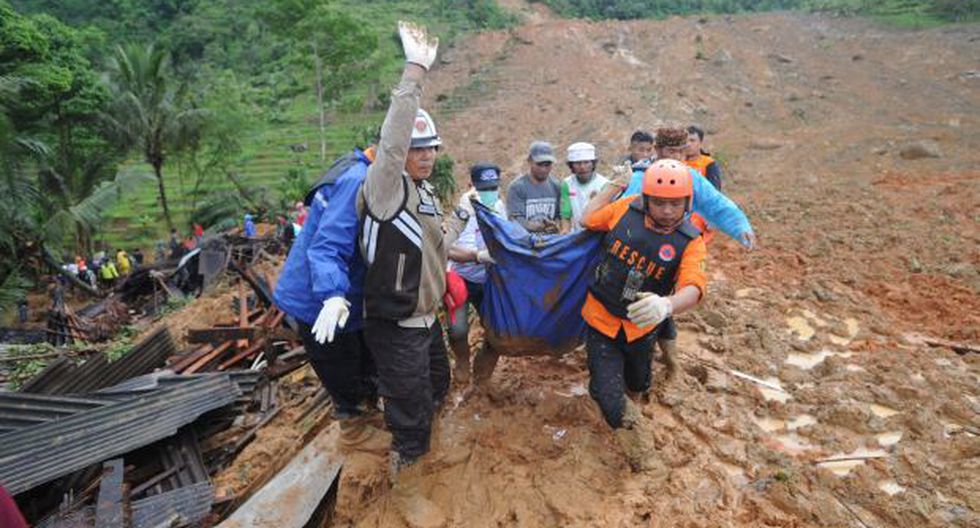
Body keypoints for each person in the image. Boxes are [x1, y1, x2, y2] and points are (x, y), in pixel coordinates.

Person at [351, 21, 467, 478]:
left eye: (431, 149)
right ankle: (406, 482)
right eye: (417, 150)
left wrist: (464, 217)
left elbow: (437, 245)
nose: (425, 156)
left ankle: (425, 455)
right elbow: (393, 141)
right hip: (395, 323)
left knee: (437, 385)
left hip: (426, 321)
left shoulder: (424, 193)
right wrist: (414, 72)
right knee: (410, 410)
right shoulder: (386, 188)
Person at [580, 159, 707, 471]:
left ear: (687, 203)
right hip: (601, 318)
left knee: (638, 384)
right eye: (660, 203)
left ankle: (629, 404)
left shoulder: (690, 241)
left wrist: (667, 306)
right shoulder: (624, 210)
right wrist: (613, 185)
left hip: (642, 327)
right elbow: (587, 219)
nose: (667, 211)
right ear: (646, 199)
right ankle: (642, 454)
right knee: (609, 396)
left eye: (675, 204)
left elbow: (693, 286)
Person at [273, 143, 378, 421]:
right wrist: (332, 294)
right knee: (342, 369)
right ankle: (354, 431)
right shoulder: (357, 181)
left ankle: (369, 414)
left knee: (367, 360)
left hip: (347, 290)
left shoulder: (361, 167)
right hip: (320, 295)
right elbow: (327, 247)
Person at [447, 163, 504, 383]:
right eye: (483, 189)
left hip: (489, 280)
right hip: (461, 279)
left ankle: (483, 367)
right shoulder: (463, 211)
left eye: (492, 188)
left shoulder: (499, 207)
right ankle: (462, 359)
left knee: (497, 330)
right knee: (457, 330)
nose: (488, 194)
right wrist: (478, 256)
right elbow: (449, 249)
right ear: (471, 185)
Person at [506, 141, 564, 234]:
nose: (543, 169)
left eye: (547, 165)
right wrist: (540, 227)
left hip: (552, 241)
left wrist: (555, 225)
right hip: (525, 243)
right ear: (529, 161)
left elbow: (560, 216)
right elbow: (515, 220)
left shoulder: (556, 186)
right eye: (539, 164)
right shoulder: (517, 187)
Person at [560, 142, 608, 232]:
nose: (582, 167)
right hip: (577, 235)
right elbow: (566, 215)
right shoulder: (567, 184)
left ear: (593, 164)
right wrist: (565, 231)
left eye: (586, 162)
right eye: (577, 163)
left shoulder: (604, 184)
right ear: (571, 166)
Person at [684, 125, 721, 190]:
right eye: (685, 141)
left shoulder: (708, 163)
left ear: (701, 143)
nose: (688, 144)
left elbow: (715, 190)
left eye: (692, 140)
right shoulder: (677, 163)